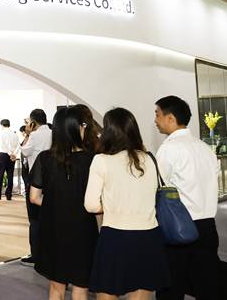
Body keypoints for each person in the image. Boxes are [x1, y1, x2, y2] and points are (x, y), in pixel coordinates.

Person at [85, 107, 170, 300]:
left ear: (109, 132)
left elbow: (90, 205)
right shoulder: (150, 159)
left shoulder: (102, 161)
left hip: (115, 237)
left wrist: (113, 206)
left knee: (107, 292)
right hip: (149, 236)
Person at [154, 96, 220, 300]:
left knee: (171, 289)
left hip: (179, 228)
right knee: (207, 288)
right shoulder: (204, 148)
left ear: (170, 118)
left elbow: (158, 187)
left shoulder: (169, 148)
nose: (155, 120)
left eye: (157, 114)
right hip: (208, 228)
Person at [29, 106, 97, 300]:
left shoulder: (45, 158)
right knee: (80, 289)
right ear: (76, 128)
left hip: (54, 228)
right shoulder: (93, 160)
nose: (85, 128)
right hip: (84, 229)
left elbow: (34, 197)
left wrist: (56, 203)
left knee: (56, 288)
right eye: (83, 124)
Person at [19, 109, 52, 265]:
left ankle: (36, 255)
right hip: (51, 180)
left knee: (34, 219)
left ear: (33, 122)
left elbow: (24, 152)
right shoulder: (52, 133)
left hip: (36, 180)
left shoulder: (34, 135)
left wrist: (27, 134)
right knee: (49, 216)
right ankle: (48, 252)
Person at [0, 119, 18, 201]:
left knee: (0, 175)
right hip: (12, 156)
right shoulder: (14, 134)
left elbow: (2, 145)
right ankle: (9, 195)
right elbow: (18, 146)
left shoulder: (1, 133)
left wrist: (9, 153)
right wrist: (13, 154)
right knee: (10, 175)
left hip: (3, 155)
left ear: (2, 125)